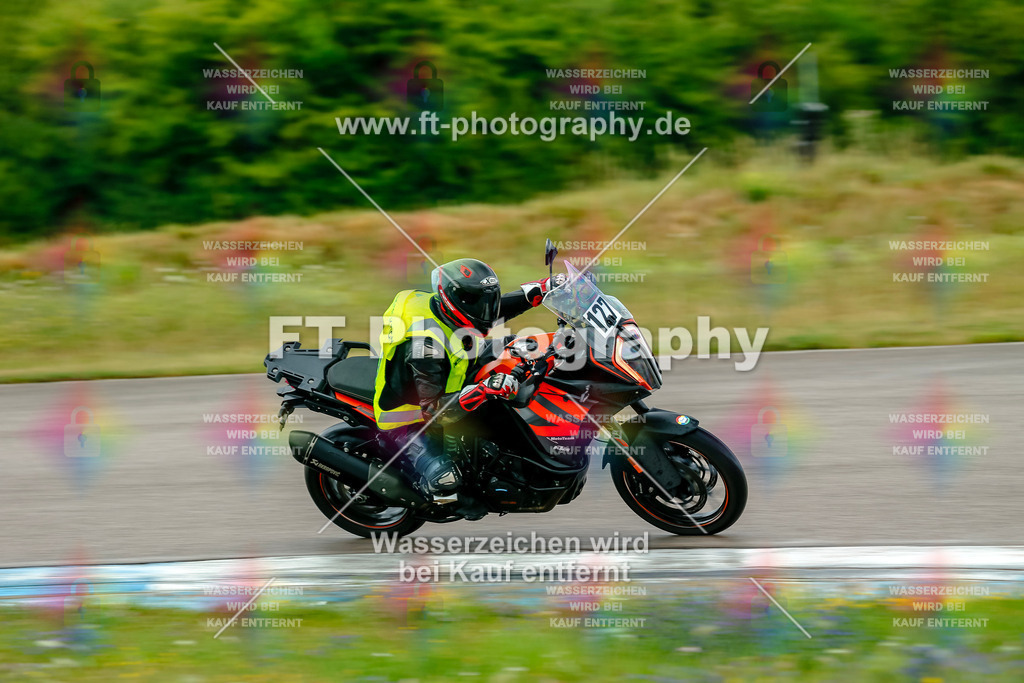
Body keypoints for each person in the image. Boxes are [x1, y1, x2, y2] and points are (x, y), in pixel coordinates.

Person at [372, 258, 563, 507]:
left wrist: (540, 291)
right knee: (446, 481)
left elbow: (489, 311)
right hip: (409, 416)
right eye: (478, 302)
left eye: (488, 300)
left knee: (523, 347)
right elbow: (433, 411)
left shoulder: (450, 311)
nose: (487, 309)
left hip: (457, 367)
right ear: (454, 301)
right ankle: (443, 498)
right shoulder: (425, 347)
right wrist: (484, 388)